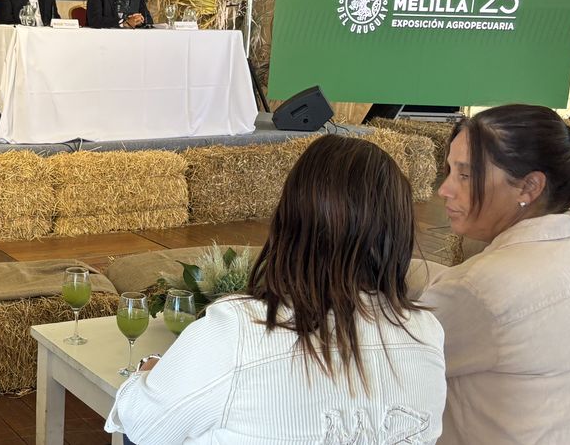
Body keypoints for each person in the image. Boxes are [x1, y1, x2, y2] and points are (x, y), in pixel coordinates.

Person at [106, 135, 446, 444]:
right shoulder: (427, 331)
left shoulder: (237, 328)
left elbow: (141, 424)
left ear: (289, 220)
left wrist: (148, 369)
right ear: (399, 232)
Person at [421, 105, 570, 444]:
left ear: (529, 187)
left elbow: (387, 368)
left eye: (465, 175)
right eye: (449, 171)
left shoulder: (476, 288)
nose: (444, 190)